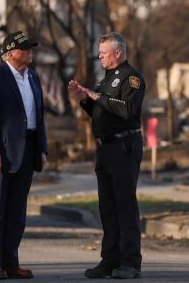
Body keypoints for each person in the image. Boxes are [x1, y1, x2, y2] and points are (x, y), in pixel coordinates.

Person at [68, 32, 146, 280]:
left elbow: (125, 110)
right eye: (100, 52)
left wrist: (95, 96)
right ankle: (109, 260)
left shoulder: (131, 78)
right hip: (105, 149)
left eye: (104, 52)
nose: (100, 56)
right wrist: (84, 100)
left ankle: (130, 262)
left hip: (124, 147)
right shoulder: (106, 80)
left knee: (124, 205)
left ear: (118, 53)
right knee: (107, 207)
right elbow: (101, 112)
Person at [0, 31, 48, 280]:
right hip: (0, 151)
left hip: (27, 149)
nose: (30, 51)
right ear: (9, 53)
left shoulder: (34, 78)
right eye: (24, 48)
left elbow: (39, 115)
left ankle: (11, 262)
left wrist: (41, 149)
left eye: (30, 48)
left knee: (17, 211)